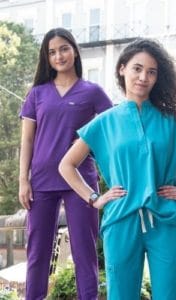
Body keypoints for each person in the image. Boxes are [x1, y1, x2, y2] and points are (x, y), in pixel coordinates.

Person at [59, 38, 176, 300]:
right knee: (121, 295)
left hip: (167, 220)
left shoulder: (175, 120)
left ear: (158, 77)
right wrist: (94, 198)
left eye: (151, 72)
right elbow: (66, 165)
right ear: (122, 69)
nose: (143, 77)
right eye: (137, 68)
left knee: (169, 296)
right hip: (121, 219)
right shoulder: (105, 122)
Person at [18, 28, 112, 300]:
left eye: (63, 48)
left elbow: (112, 131)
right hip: (41, 183)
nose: (58, 55)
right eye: (52, 52)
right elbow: (27, 141)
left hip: (80, 182)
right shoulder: (37, 94)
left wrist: (91, 146)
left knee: (84, 252)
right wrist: (23, 180)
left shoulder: (93, 92)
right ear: (46, 58)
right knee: (37, 252)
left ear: (74, 50)